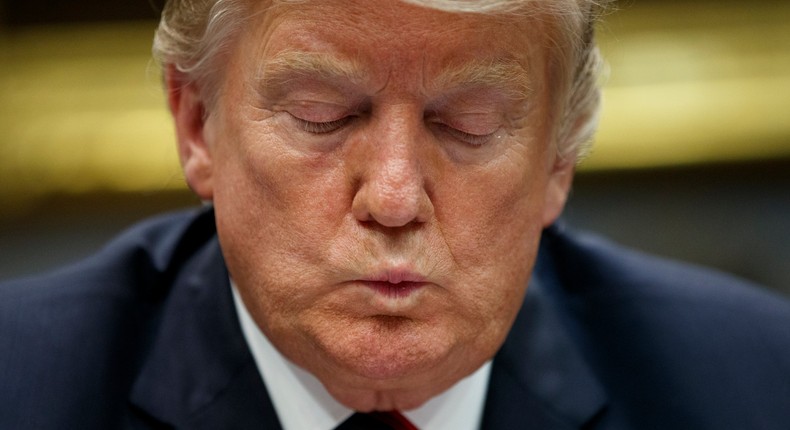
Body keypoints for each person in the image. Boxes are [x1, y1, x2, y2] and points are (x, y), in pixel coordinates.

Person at [1, 0, 789, 429]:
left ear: (560, 157)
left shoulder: (756, 386)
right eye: (321, 115)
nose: (394, 199)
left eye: (468, 126)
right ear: (197, 124)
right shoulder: (22, 387)